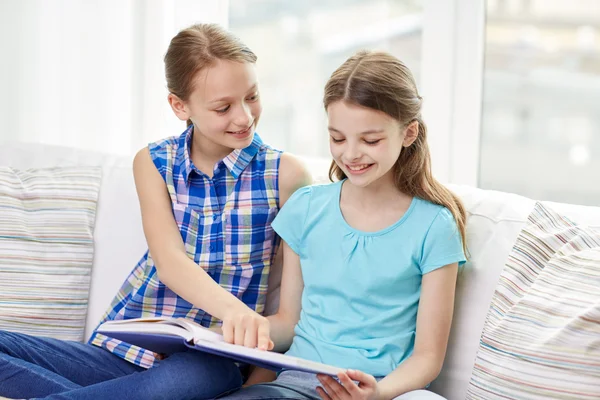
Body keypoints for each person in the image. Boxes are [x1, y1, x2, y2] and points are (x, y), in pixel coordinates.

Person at [0, 23, 310, 400]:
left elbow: (288, 322)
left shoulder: (286, 176)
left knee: (194, 376)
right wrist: (234, 311)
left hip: (207, 364)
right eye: (223, 107)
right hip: (124, 355)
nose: (244, 117)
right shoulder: (153, 162)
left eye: (252, 96)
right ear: (180, 106)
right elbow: (169, 261)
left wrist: (253, 366)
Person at [219, 50, 468, 400]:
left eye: (370, 140)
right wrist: (239, 332)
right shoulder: (306, 208)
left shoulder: (434, 226)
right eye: (338, 138)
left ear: (409, 133)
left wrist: (378, 392)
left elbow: (427, 358)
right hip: (297, 383)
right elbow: (290, 322)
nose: (350, 154)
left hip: (379, 388)